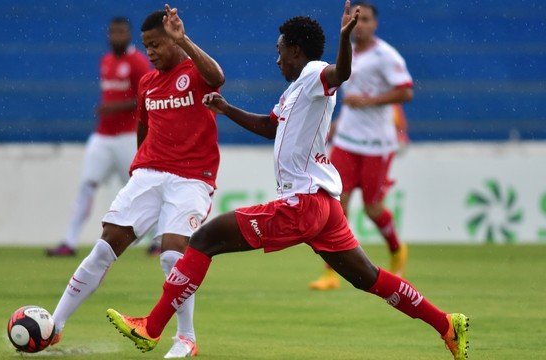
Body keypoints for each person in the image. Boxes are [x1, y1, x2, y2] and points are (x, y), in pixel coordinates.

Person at [106, 2, 469, 359]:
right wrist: (226, 108)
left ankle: (152, 327)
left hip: (304, 202)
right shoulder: (294, 89)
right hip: (324, 206)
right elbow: (269, 126)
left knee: (204, 239)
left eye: (280, 52)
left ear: (295, 51)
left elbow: (339, 74)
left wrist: (344, 39)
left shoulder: (313, 73)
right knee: (368, 277)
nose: (277, 59)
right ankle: (446, 325)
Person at [50, 5, 225, 358]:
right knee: (104, 247)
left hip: (191, 178)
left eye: (156, 45)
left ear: (173, 41)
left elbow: (218, 77)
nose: (151, 53)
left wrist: (185, 40)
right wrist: (138, 167)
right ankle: (54, 325)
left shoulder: (194, 72)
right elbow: (143, 127)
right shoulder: (147, 82)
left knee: (172, 256)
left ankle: (186, 338)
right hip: (149, 172)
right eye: (146, 47)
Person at [309, 1, 414, 290]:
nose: (361, 23)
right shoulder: (348, 52)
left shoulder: (385, 55)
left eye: (365, 19)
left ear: (375, 23)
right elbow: (352, 95)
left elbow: (406, 92)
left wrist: (369, 102)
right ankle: (331, 272)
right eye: (357, 18)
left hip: (376, 145)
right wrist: (337, 125)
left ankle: (396, 249)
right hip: (346, 142)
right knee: (335, 207)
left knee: (372, 209)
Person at [46, 17, 151, 257]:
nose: (116, 36)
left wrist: (116, 108)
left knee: (141, 187)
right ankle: (69, 241)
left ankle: (156, 241)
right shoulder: (106, 61)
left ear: (129, 34)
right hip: (103, 136)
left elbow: (145, 97)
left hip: (128, 136)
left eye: (121, 32)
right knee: (87, 184)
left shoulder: (138, 62)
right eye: (113, 32)